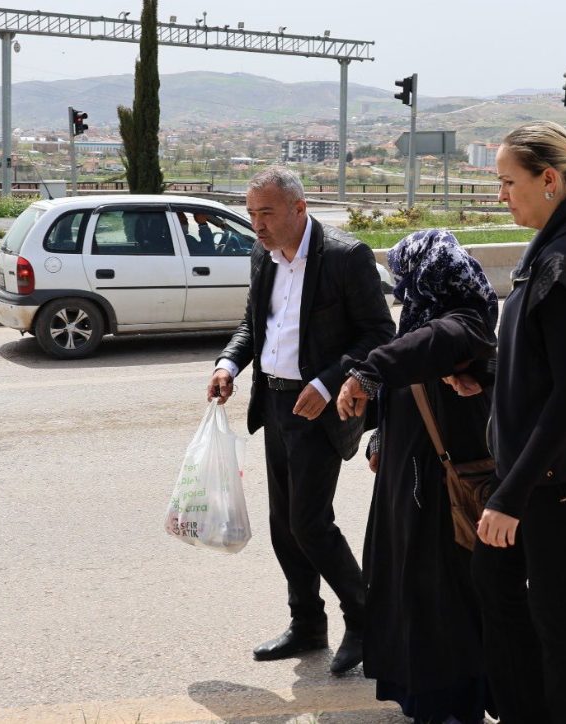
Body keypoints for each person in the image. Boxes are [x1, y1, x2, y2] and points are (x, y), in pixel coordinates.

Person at [453, 120, 566, 724]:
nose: (501, 194)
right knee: (498, 586)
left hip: (562, 475)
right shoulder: (561, 243)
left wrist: (510, 496)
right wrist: (488, 376)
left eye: (509, 182)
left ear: (550, 180)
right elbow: (547, 361)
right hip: (547, 469)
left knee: (560, 615)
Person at [207, 166, 395, 675]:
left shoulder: (344, 256)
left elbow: (379, 333)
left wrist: (328, 382)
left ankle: (366, 621)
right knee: (284, 526)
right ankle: (307, 623)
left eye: (267, 213)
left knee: (309, 523)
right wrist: (228, 365)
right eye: (251, 214)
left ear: (299, 208)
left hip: (321, 408)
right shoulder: (262, 255)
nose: (257, 225)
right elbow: (253, 325)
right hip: (274, 404)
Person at [336, 229, 498, 724]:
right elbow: (406, 386)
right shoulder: (424, 321)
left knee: (440, 603)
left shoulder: (465, 320)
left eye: (406, 279)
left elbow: (432, 345)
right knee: (411, 597)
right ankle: (426, 701)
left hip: (440, 494)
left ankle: (452, 708)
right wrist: (380, 438)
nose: (403, 291)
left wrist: (368, 371)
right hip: (409, 487)